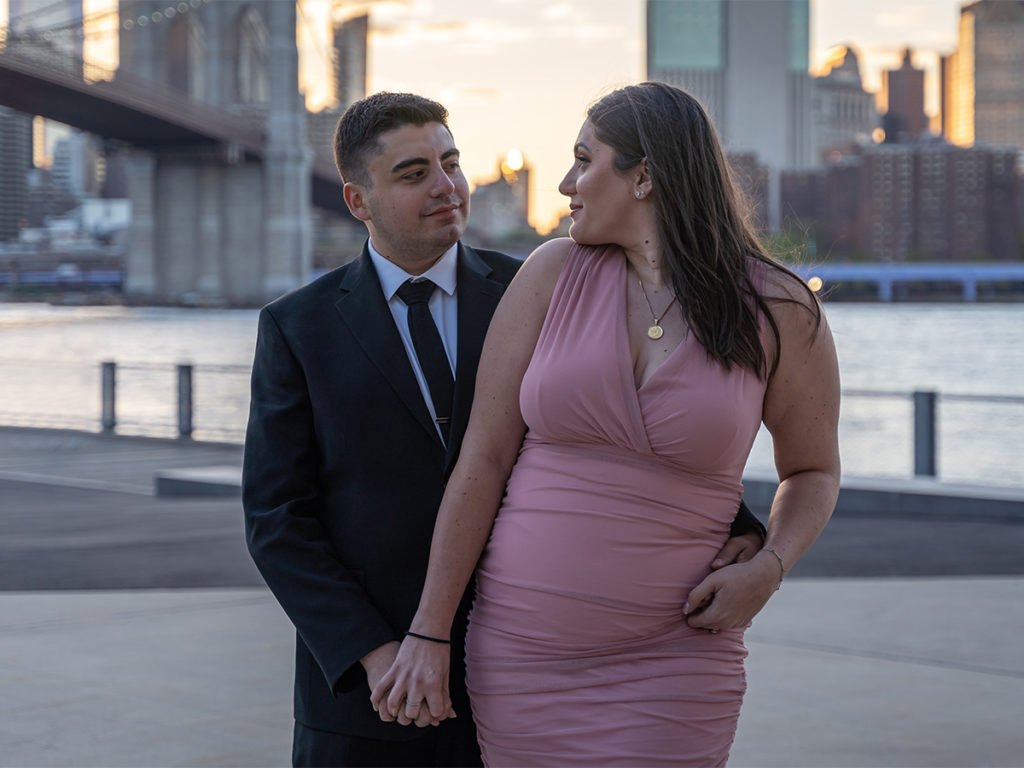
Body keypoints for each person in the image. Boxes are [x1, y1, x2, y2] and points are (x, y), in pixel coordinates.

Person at [242, 91, 766, 767]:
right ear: (356, 200)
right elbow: (277, 520)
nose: (446, 186)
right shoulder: (297, 328)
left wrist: (742, 529)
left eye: (451, 163)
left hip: (530, 667)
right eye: (413, 174)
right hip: (369, 696)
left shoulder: (551, 290)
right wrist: (377, 655)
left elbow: (624, 429)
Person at [373, 82, 841, 767]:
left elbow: (814, 471)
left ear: (644, 177)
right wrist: (430, 630)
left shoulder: (779, 308)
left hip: (676, 658)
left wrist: (771, 566)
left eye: (584, 159)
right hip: (521, 657)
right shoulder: (550, 275)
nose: (565, 181)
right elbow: (484, 458)